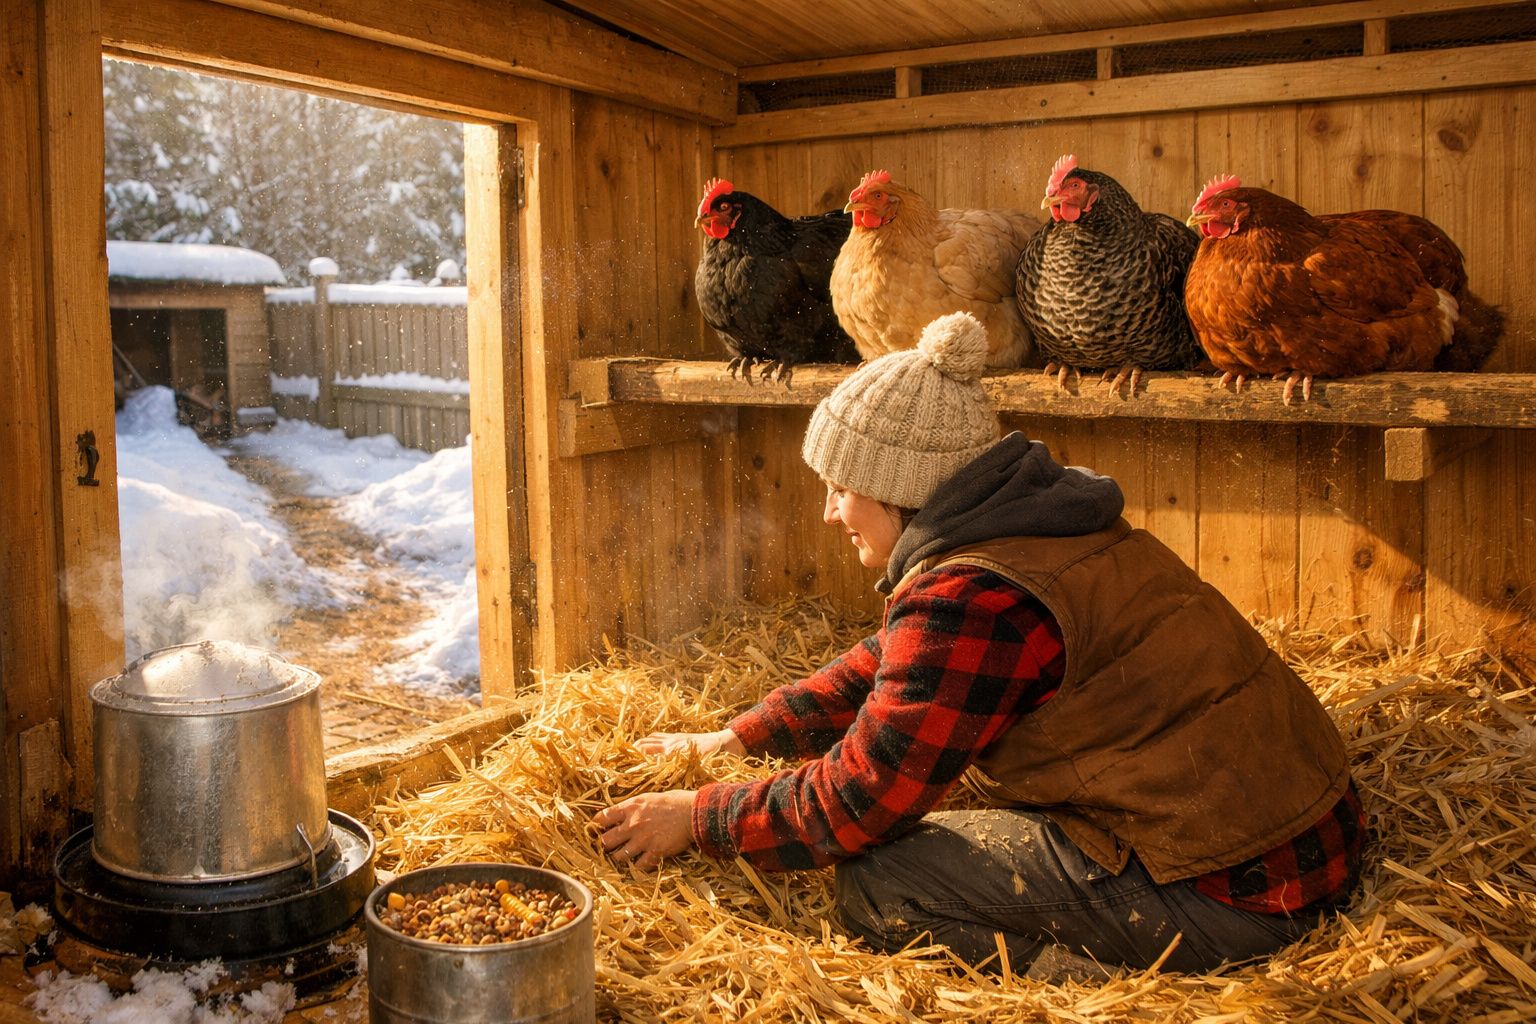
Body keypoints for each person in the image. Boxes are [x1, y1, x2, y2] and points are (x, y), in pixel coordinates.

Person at [593, 312, 1364, 978]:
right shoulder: (1042, 522)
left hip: (1234, 895)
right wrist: (736, 737)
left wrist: (699, 817)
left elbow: (855, 802)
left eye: (839, 488)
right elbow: (891, 662)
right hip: (1300, 837)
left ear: (900, 488)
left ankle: (1069, 984)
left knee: (885, 883)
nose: (831, 514)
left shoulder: (972, 600)